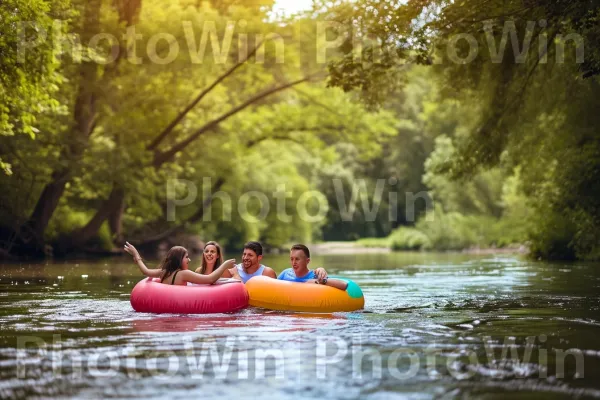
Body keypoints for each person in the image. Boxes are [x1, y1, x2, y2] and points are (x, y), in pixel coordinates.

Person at [124, 241, 235, 285]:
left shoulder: (164, 272)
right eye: (186, 257)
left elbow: (145, 271)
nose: (189, 260)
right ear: (179, 259)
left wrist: (136, 256)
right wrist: (224, 265)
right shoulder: (184, 274)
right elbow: (210, 279)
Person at [278, 244, 348, 290]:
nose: (293, 263)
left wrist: (318, 281)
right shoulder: (285, 273)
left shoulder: (316, 275)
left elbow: (344, 285)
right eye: (291, 259)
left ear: (307, 261)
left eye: (297, 259)